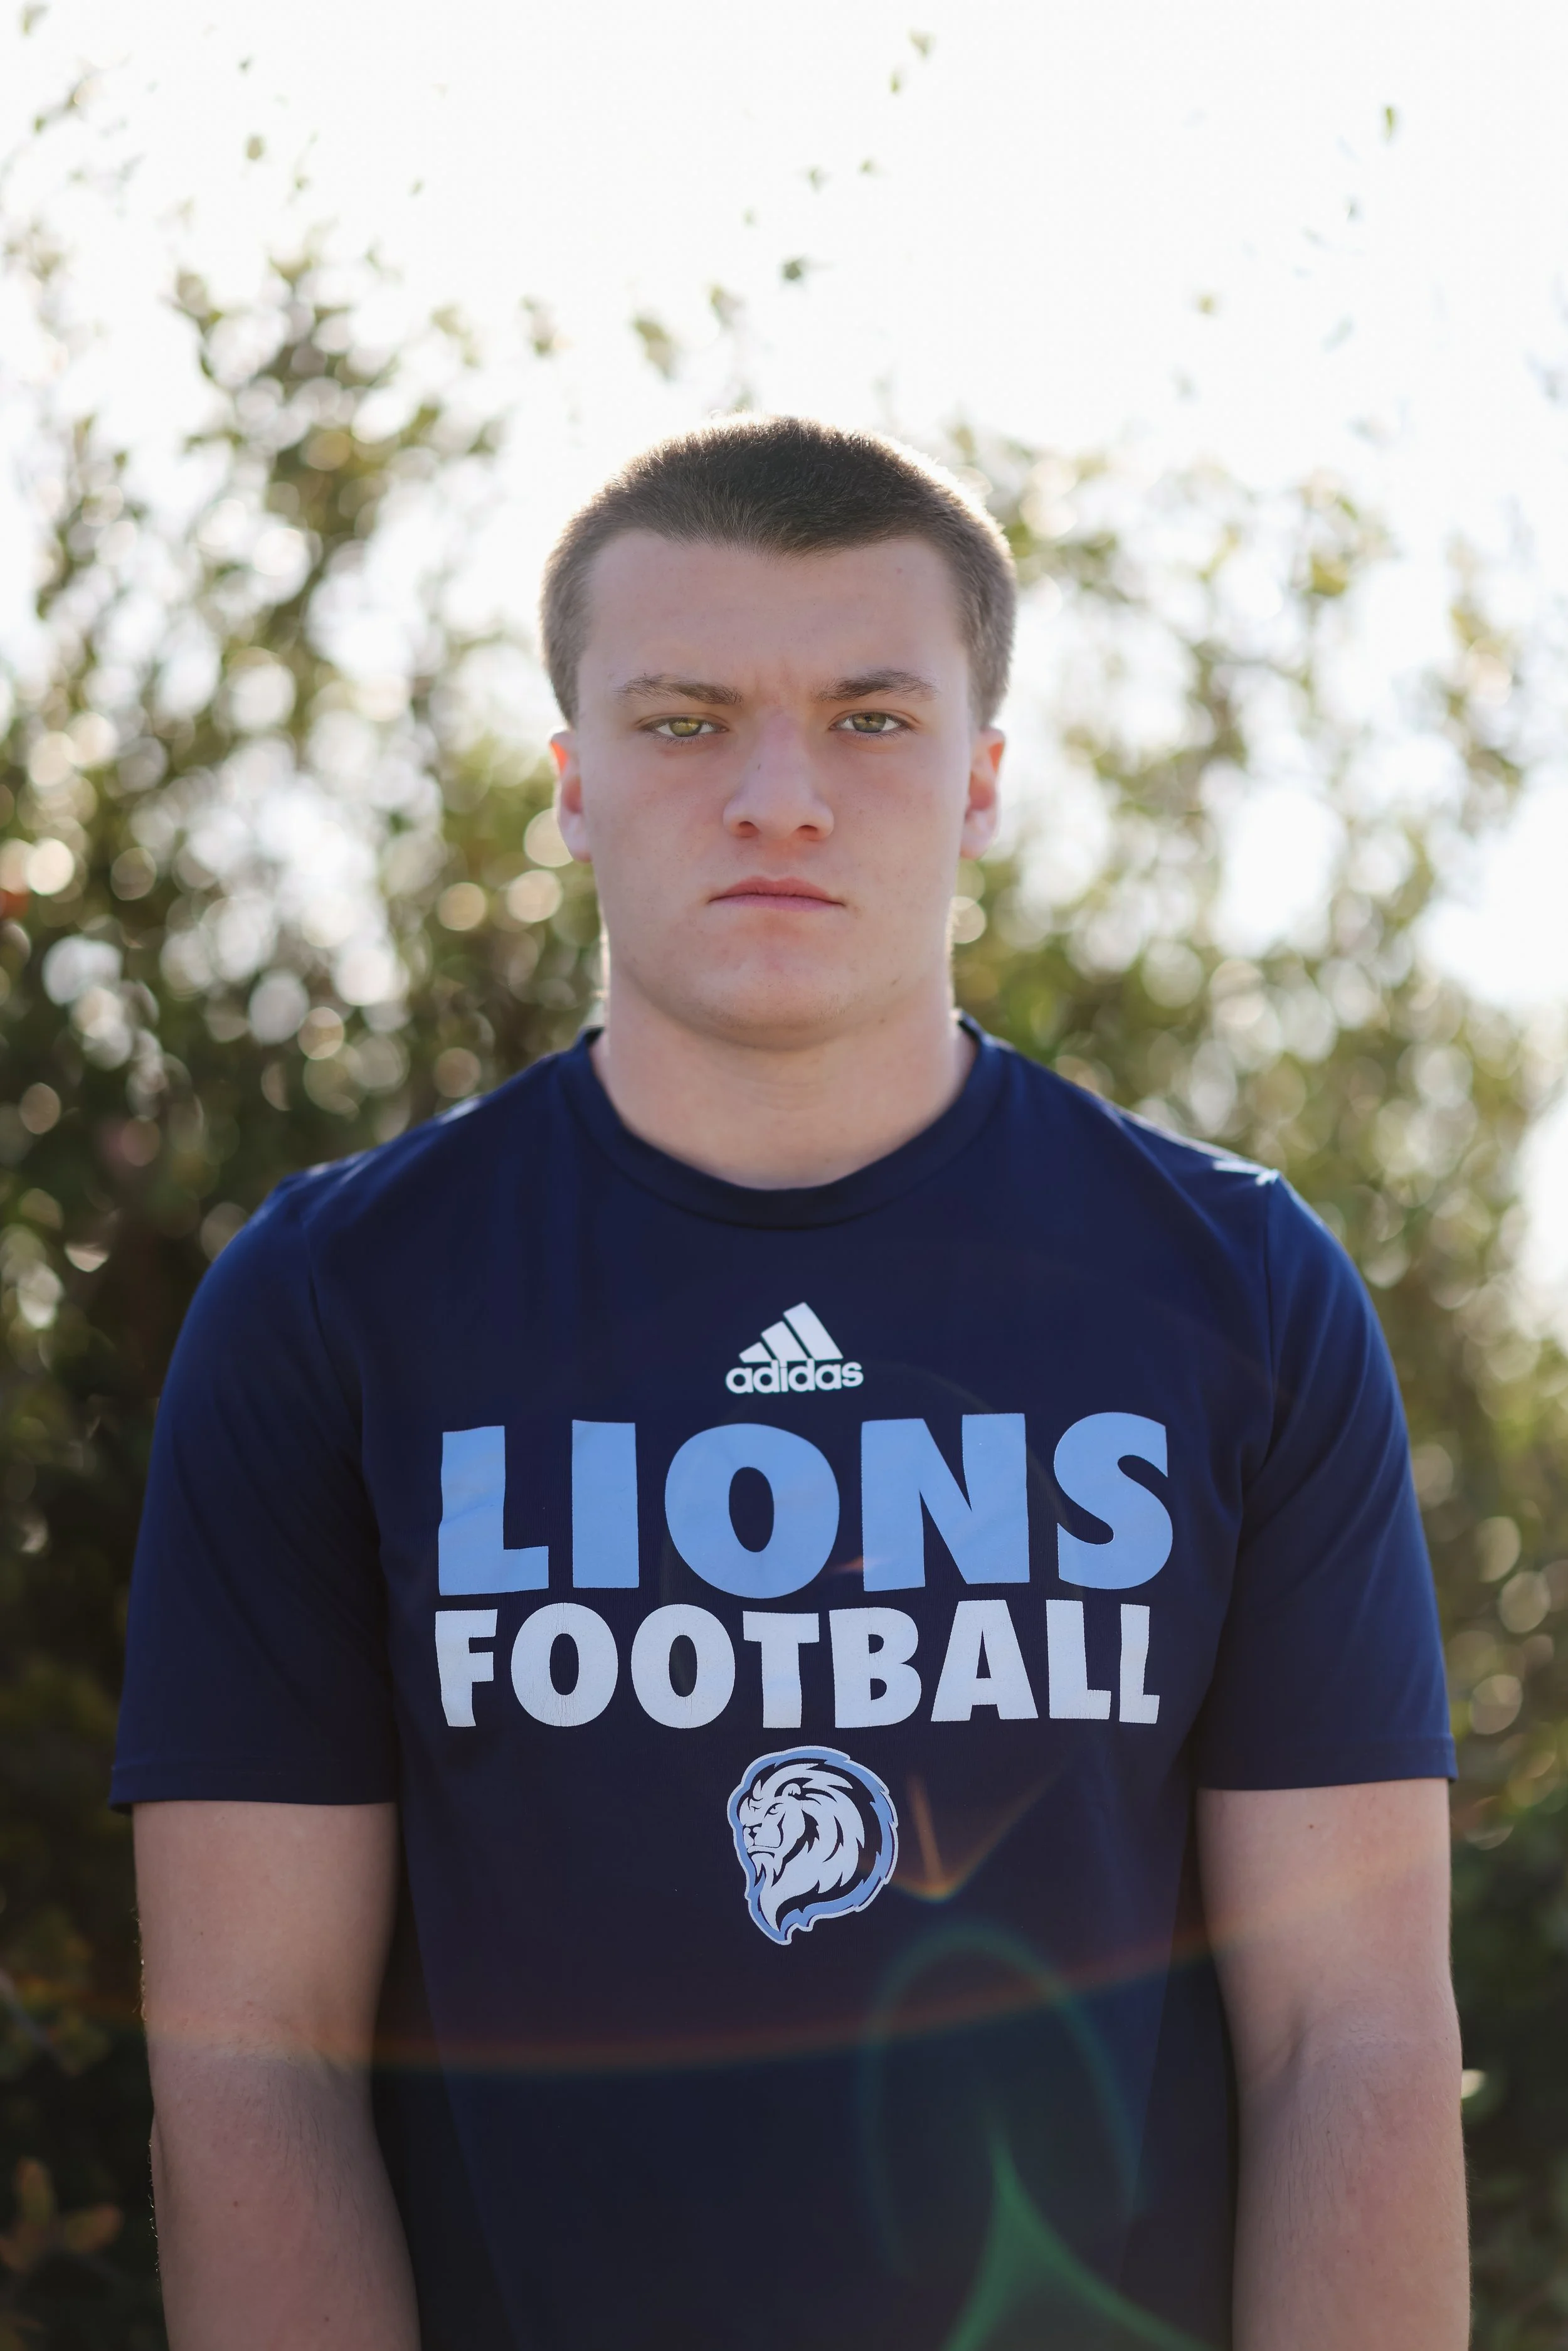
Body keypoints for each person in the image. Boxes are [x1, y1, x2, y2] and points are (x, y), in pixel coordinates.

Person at [117, 416, 1467, 2351]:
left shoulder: (1237, 1287)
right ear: (571, 785)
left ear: (979, 779)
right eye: (682, 722)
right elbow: (256, 2052)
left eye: (868, 718)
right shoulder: (332, 1301)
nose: (777, 799)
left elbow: (1350, 2032)